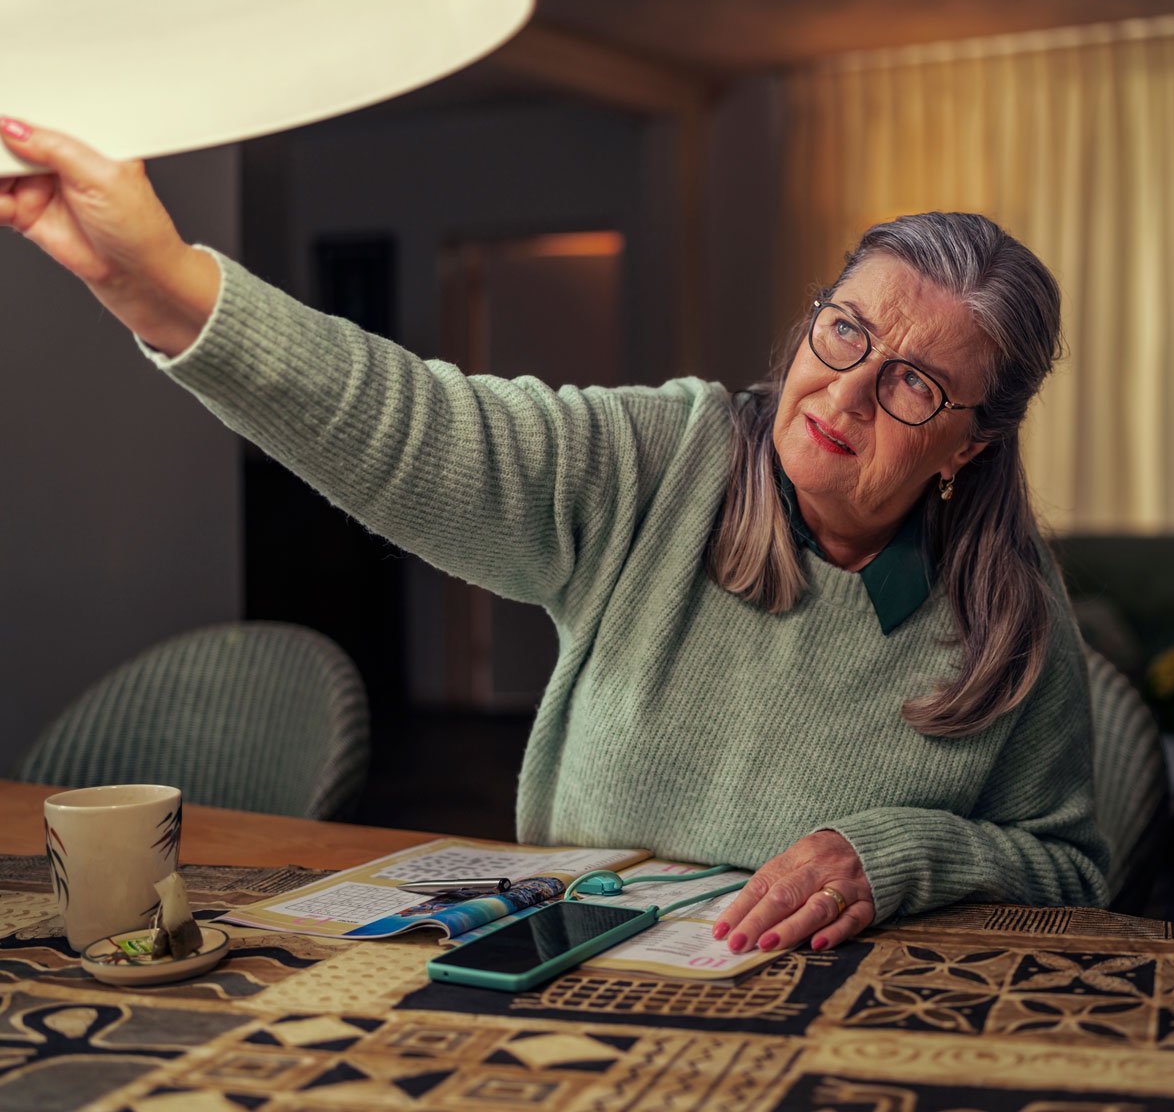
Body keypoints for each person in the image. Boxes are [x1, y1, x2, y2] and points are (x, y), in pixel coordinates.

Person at [0, 118, 1108, 959]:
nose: (848, 391)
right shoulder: (664, 461)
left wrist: (899, 853)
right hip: (566, 980)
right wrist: (159, 289)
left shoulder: (1011, 615)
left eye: (913, 382)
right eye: (846, 328)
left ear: (971, 443)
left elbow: (1070, 867)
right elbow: (414, 420)